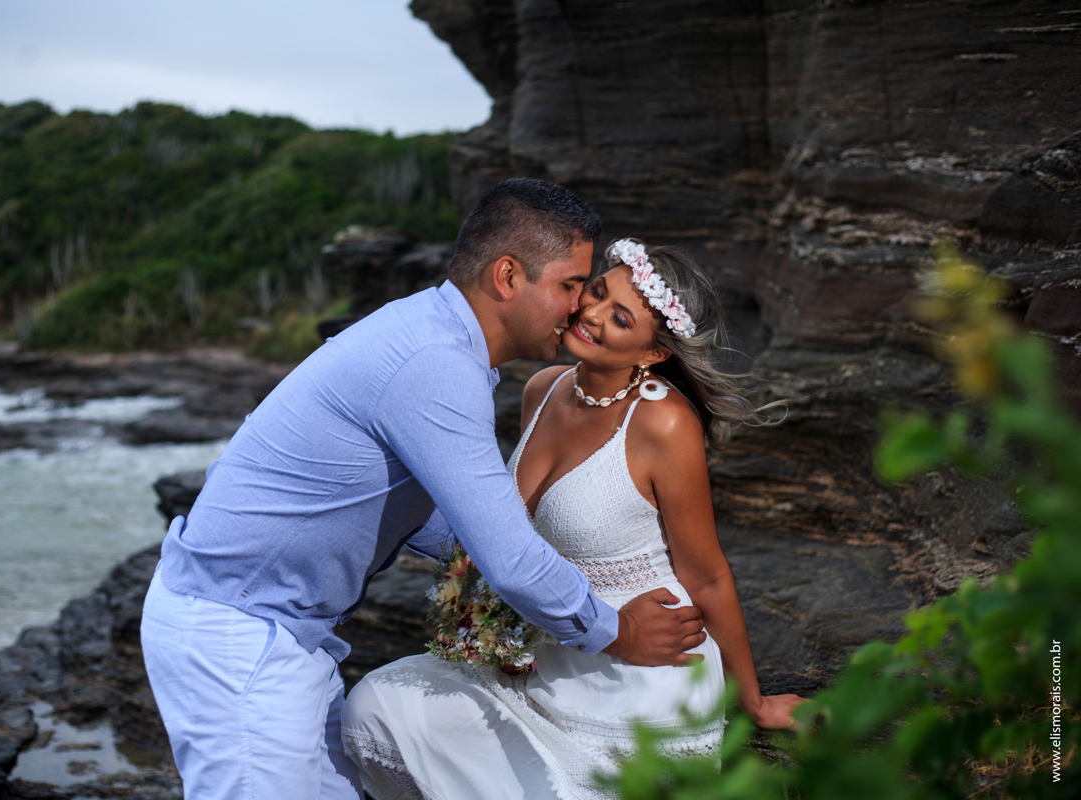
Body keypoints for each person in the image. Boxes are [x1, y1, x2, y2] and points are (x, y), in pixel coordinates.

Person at [139, 179, 711, 800]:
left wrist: (564, 561)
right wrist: (617, 631)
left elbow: (434, 520)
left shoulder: (433, 337)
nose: (577, 309)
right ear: (508, 276)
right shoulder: (435, 365)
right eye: (573, 286)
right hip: (239, 634)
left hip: (288, 632)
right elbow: (509, 560)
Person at [341, 238, 805, 799]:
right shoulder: (543, 389)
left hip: (642, 667)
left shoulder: (665, 424)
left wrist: (751, 700)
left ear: (653, 353)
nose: (590, 313)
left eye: (621, 317)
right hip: (548, 651)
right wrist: (503, 634)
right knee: (374, 705)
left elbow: (707, 574)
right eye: (598, 291)